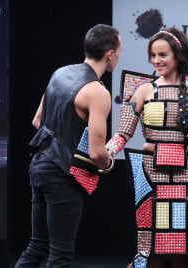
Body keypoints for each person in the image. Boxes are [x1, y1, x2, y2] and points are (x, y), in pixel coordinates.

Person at [106, 27, 188, 268]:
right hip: (150, 174)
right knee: (150, 246)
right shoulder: (143, 90)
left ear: (178, 56)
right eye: (153, 55)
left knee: (185, 247)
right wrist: (105, 153)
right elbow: (122, 133)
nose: (156, 61)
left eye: (162, 55)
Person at [15, 23, 122, 267]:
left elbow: (37, 121)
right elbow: (96, 154)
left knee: (36, 246)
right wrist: (108, 163)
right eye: (119, 52)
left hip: (39, 165)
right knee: (60, 254)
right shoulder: (97, 92)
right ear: (110, 54)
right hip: (62, 173)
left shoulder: (60, 72)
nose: (118, 57)